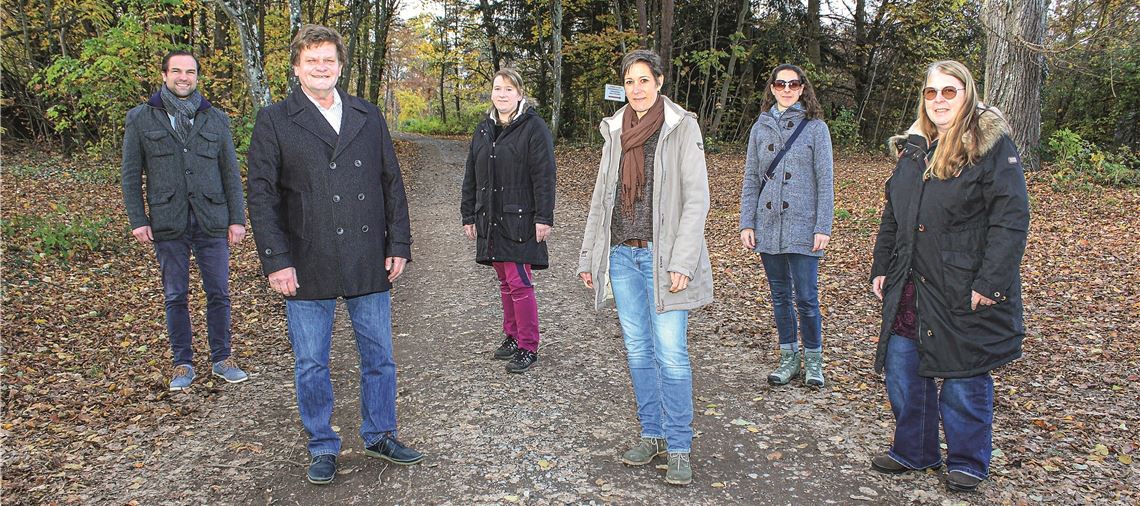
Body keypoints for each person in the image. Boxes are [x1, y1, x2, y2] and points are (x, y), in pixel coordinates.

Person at [246, 24, 423, 486]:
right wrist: (276, 259)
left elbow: (391, 183)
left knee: (380, 355)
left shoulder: (367, 114)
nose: (321, 68)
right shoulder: (275, 120)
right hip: (306, 259)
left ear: (340, 66)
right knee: (311, 362)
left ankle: (380, 433)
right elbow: (261, 196)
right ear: (297, 67)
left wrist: (398, 243)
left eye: (328, 60)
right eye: (312, 61)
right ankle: (322, 444)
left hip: (367, 254)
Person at [869, 60, 1029, 493]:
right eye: (931, 92)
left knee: (963, 373)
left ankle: (967, 460)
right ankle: (915, 450)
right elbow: (894, 213)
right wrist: (883, 265)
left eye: (949, 91)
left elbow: (1011, 219)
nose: (939, 100)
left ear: (967, 94)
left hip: (962, 282)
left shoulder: (991, 146)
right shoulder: (914, 147)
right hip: (910, 281)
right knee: (903, 369)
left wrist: (990, 282)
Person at [577, 49, 713, 486]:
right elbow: (602, 198)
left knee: (671, 354)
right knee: (638, 351)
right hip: (622, 255)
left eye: (644, 80)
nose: (637, 89)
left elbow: (697, 200)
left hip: (663, 256)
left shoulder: (681, 127)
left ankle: (678, 446)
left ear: (659, 82)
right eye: (630, 81)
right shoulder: (615, 130)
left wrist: (683, 262)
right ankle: (651, 434)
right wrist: (588, 257)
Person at [120, 50, 249, 391]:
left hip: (212, 219)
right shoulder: (141, 118)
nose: (183, 77)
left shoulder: (216, 119)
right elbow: (131, 175)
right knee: (175, 294)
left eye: (190, 72)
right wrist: (138, 218)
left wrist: (237, 219)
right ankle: (183, 363)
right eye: (176, 71)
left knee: (219, 292)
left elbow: (231, 174)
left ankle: (222, 358)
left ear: (196, 77)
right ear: (164, 75)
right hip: (167, 220)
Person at [739, 64, 835, 388]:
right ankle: (788, 358)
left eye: (793, 84)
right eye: (780, 84)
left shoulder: (815, 128)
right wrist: (746, 222)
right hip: (768, 224)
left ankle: (813, 361)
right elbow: (752, 178)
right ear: (771, 88)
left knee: (806, 296)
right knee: (780, 295)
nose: (786, 89)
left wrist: (823, 226)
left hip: (804, 226)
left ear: (802, 88)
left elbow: (826, 180)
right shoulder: (759, 128)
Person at [461, 68, 556, 374]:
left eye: (508, 89)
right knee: (504, 281)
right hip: (490, 218)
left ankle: (529, 344)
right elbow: (471, 175)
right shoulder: (484, 129)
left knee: (519, 282)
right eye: (497, 88)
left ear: (520, 94)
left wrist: (544, 217)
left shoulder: (533, 127)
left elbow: (544, 175)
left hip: (520, 219)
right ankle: (513, 336)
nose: (502, 94)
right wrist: (468, 214)